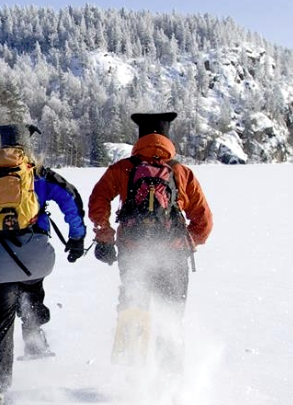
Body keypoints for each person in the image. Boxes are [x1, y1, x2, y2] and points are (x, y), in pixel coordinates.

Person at [0, 123, 88, 405]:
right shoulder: (39, 175)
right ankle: (33, 328)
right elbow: (71, 200)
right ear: (28, 148)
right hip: (36, 258)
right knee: (31, 286)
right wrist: (76, 238)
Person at [87, 112, 213, 369]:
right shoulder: (181, 172)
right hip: (173, 258)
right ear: (167, 138)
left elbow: (98, 199)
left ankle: (134, 380)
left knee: (134, 314)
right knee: (170, 321)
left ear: (139, 138)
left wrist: (105, 234)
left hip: (133, 254)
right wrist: (187, 241)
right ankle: (169, 385)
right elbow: (204, 220)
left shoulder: (123, 169)